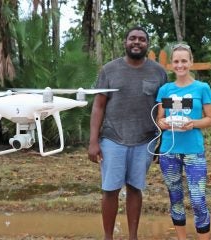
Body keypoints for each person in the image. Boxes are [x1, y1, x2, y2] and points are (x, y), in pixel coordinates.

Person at [88, 26, 168, 240]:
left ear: (147, 44)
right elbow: (98, 106)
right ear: (125, 42)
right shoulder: (109, 70)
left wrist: (165, 140)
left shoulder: (159, 72)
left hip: (145, 140)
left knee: (135, 189)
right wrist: (93, 141)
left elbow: (166, 107)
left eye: (142, 39)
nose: (136, 42)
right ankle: (108, 236)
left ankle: (133, 236)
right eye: (132, 38)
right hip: (113, 139)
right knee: (110, 190)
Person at [156, 43, 211, 240]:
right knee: (175, 198)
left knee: (198, 200)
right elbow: (160, 119)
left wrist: (193, 123)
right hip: (169, 151)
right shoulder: (165, 89)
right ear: (171, 64)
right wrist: (163, 123)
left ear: (191, 62)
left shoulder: (202, 88)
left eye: (184, 61)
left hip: (193, 151)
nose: (180, 65)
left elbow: (210, 119)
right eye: (176, 61)